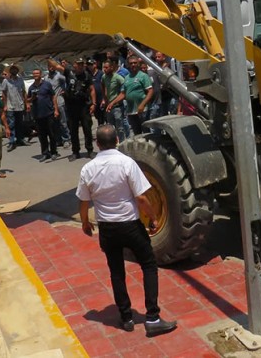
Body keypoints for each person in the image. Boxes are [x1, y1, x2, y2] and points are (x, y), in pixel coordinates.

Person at [76, 124, 178, 337]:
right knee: (148, 265)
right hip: (130, 225)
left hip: (107, 229)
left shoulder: (88, 169)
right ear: (116, 140)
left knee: (116, 272)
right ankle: (152, 317)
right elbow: (141, 197)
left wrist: (85, 223)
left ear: (97, 144)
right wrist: (153, 217)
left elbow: (83, 202)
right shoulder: (127, 163)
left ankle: (126, 317)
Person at [66, 58, 96, 159]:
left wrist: (93, 103)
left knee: (87, 129)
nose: (80, 66)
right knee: (73, 130)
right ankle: (75, 152)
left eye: (81, 64)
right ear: (74, 65)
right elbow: (57, 66)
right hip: (71, 106)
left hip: (84, 106)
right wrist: (49, 58)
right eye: (78, 64)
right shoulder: (69, 73)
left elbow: (92, 89)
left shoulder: (87, 75)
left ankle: (90, 150)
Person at [28, 69, 60, 161]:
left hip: (49, 113)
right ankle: (45, 153)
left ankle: (54, 152)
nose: (35, 75)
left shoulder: (47, 84)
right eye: (34, 73)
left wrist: (56, 110)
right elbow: (27, 100)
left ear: (41, 74)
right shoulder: (31, 87)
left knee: (52, 134)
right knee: (42, 136)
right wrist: (32, 98)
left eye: (37, 73)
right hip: (38, 115)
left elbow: (53, 97)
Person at [122, 56, 154, 136]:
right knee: (137, 134)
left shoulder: (143, 76)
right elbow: (123, 93)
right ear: (128, 65)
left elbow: (150, 91)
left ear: (138, 64)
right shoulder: (127, 78)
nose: (133, 65)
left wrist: (142, 105)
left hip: (142, 110)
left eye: (135, 63)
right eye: (131, 63)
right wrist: (112, 103)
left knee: (146, 133)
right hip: (131, 111)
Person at [2, 65, 28, 151]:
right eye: (12, 69)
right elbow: (4, 93)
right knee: (11, 124)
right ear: (10, 71)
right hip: (10, 106)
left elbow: (24, 92)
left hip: (19, 105)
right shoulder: (6, 81)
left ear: (17, 71)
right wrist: (5, 105)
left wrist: (26, 103)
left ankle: (20, 139)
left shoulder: (20, 80)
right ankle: (12, 142)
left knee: (20, 124)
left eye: (15, 69)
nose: (14, 70)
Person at [101, 60, 128, 141]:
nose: (105, 69)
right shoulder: (104, 77)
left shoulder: (118, 78)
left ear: (111, 67)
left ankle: (122, 142)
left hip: (117, 106)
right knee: (111, 128)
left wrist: (114, 102)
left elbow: (124, 91)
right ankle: (114, 143)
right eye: (104, 68)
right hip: (108, 107)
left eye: (106, 67)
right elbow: (102, 85)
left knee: (120, 128)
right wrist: (104, 98)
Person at [47, 59, 71, 146]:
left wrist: (65, 90)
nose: (51, 68)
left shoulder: (59, 76)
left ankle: (66, 139)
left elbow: (69, 81)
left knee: (62, 121)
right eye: (49, 66)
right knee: (54, 123)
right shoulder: (46, 78)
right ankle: (58, 139)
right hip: (51, 102)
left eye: (52, 66)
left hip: (59, 100)